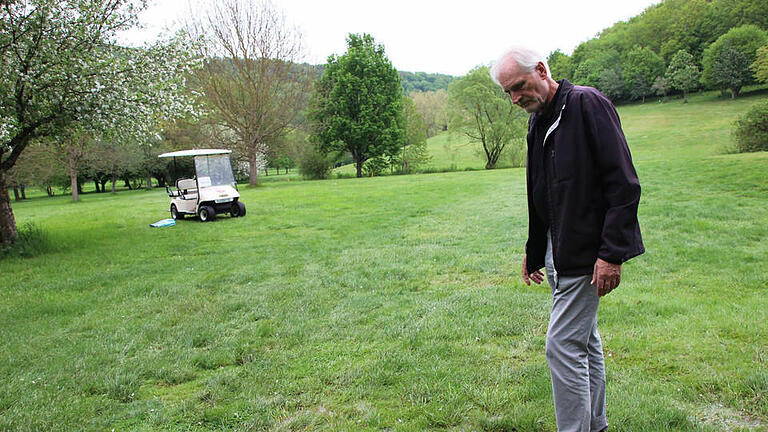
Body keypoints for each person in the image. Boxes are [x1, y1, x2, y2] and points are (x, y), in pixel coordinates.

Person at [490, 47, 644, 432]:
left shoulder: (586, 104)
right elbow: (540, 192)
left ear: (542, 70)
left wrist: (611, 254)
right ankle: (596, 425)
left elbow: (623, 184)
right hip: (558, 252)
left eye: (519, 87)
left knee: (561, 346)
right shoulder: (537, 121)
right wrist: (534, 250)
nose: (515, 99)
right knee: (584, 342)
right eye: (508, 92)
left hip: (586, 253)